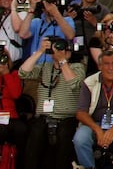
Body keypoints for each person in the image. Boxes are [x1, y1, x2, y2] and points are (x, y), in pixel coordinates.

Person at [20, 37, 86, 169]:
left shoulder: (77, 67)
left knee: (63, 144)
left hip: (66, 118)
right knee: (34, 140)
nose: (60, 51)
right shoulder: (45, 66)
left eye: (63, 49)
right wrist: (40, 51)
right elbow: (23, 73)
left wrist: (62, 60)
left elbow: (74, 83)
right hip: (44, 117)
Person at [73, 50, 113, 169]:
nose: (111, 68)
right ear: (99, 66)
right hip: (94, 124)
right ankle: (88, 167)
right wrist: (97, 129)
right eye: (107, 64)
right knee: (80, 138)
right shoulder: (89, 82)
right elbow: (81, 113)